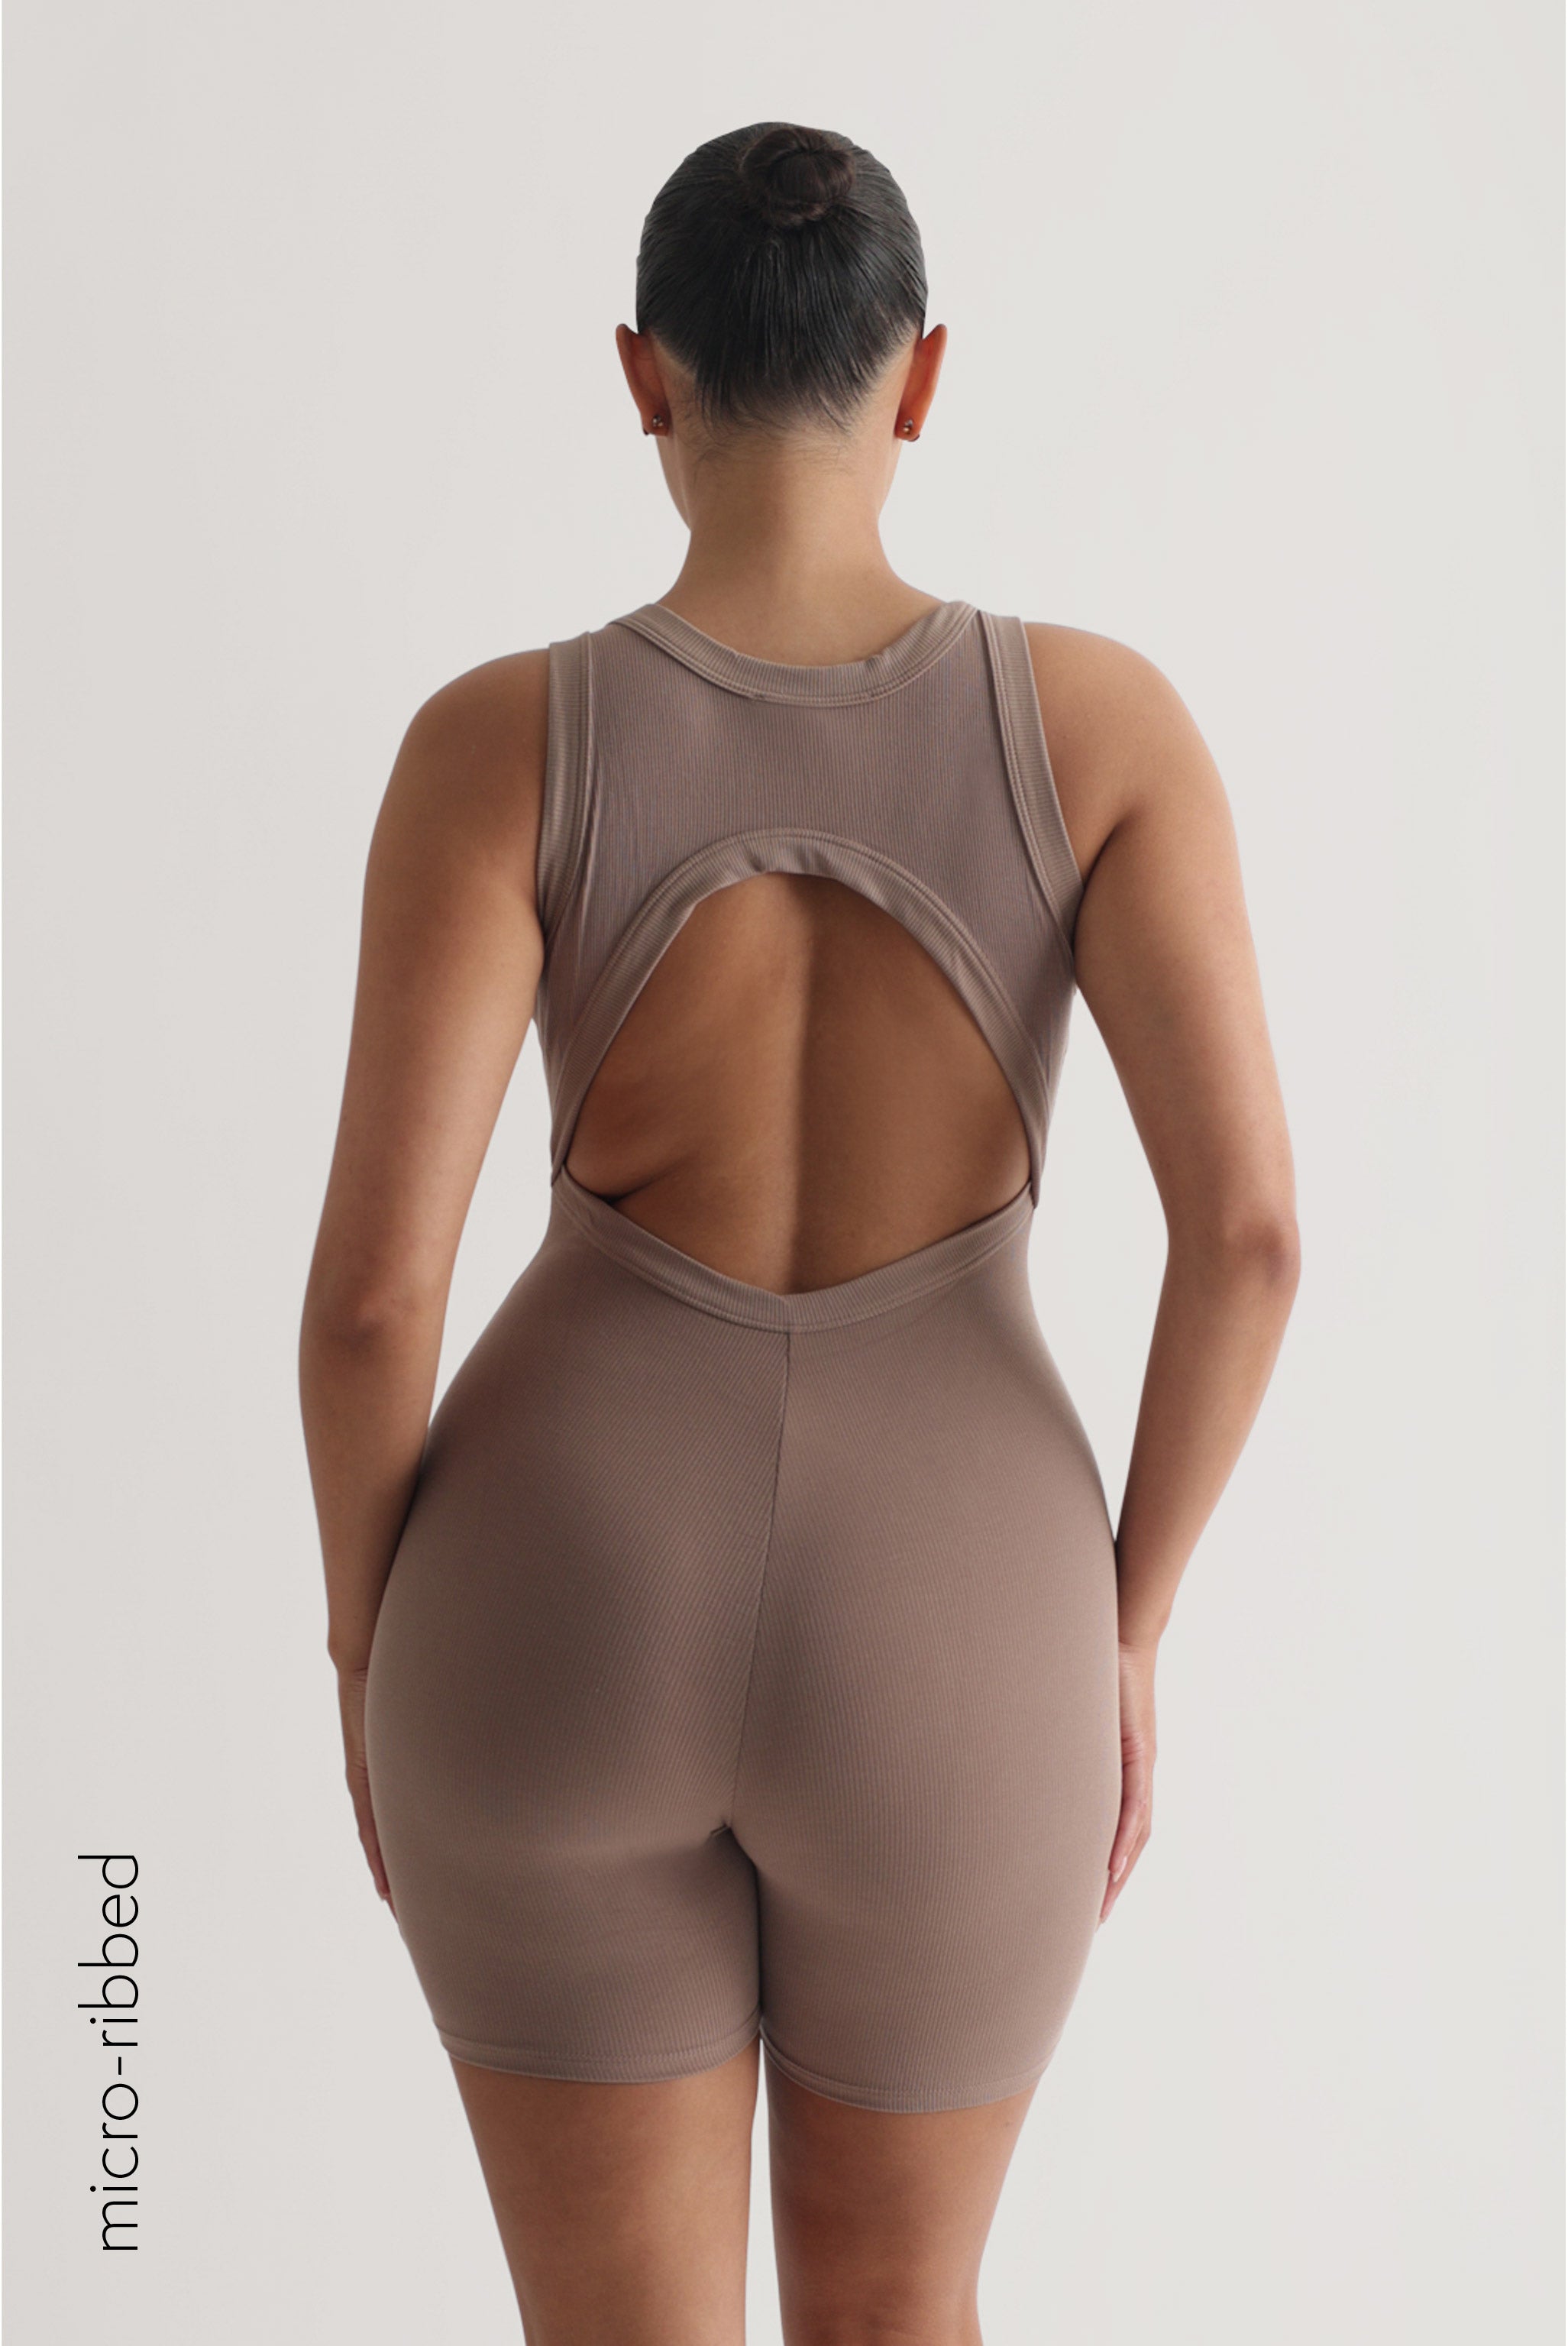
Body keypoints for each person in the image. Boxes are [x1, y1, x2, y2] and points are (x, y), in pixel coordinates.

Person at [299, 120, 1299, 2346]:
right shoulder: (1101, 728)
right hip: (961, 1619)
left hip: (555, 1594)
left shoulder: (498, 743)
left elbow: (373, 1302)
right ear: (920, 377)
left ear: (641, 375)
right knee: (900, 2309)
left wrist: (370, 1651)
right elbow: (1249, 1237)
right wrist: (1126, 1625)